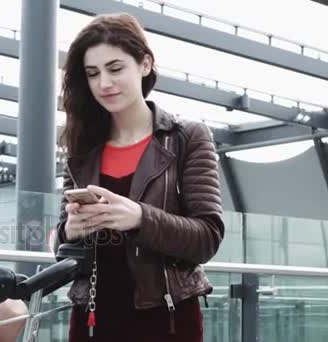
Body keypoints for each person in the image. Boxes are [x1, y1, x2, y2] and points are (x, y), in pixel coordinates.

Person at [54, 13, 225, 342]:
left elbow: (208, 237)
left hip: (166, 319)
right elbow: (61, 243)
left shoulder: (187, 137)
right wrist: (69, 230)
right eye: (93, 74)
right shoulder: (82, 147)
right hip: (91, 316)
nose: (104, 83)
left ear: (145, 64)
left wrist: (139, 218)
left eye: (115, 68)